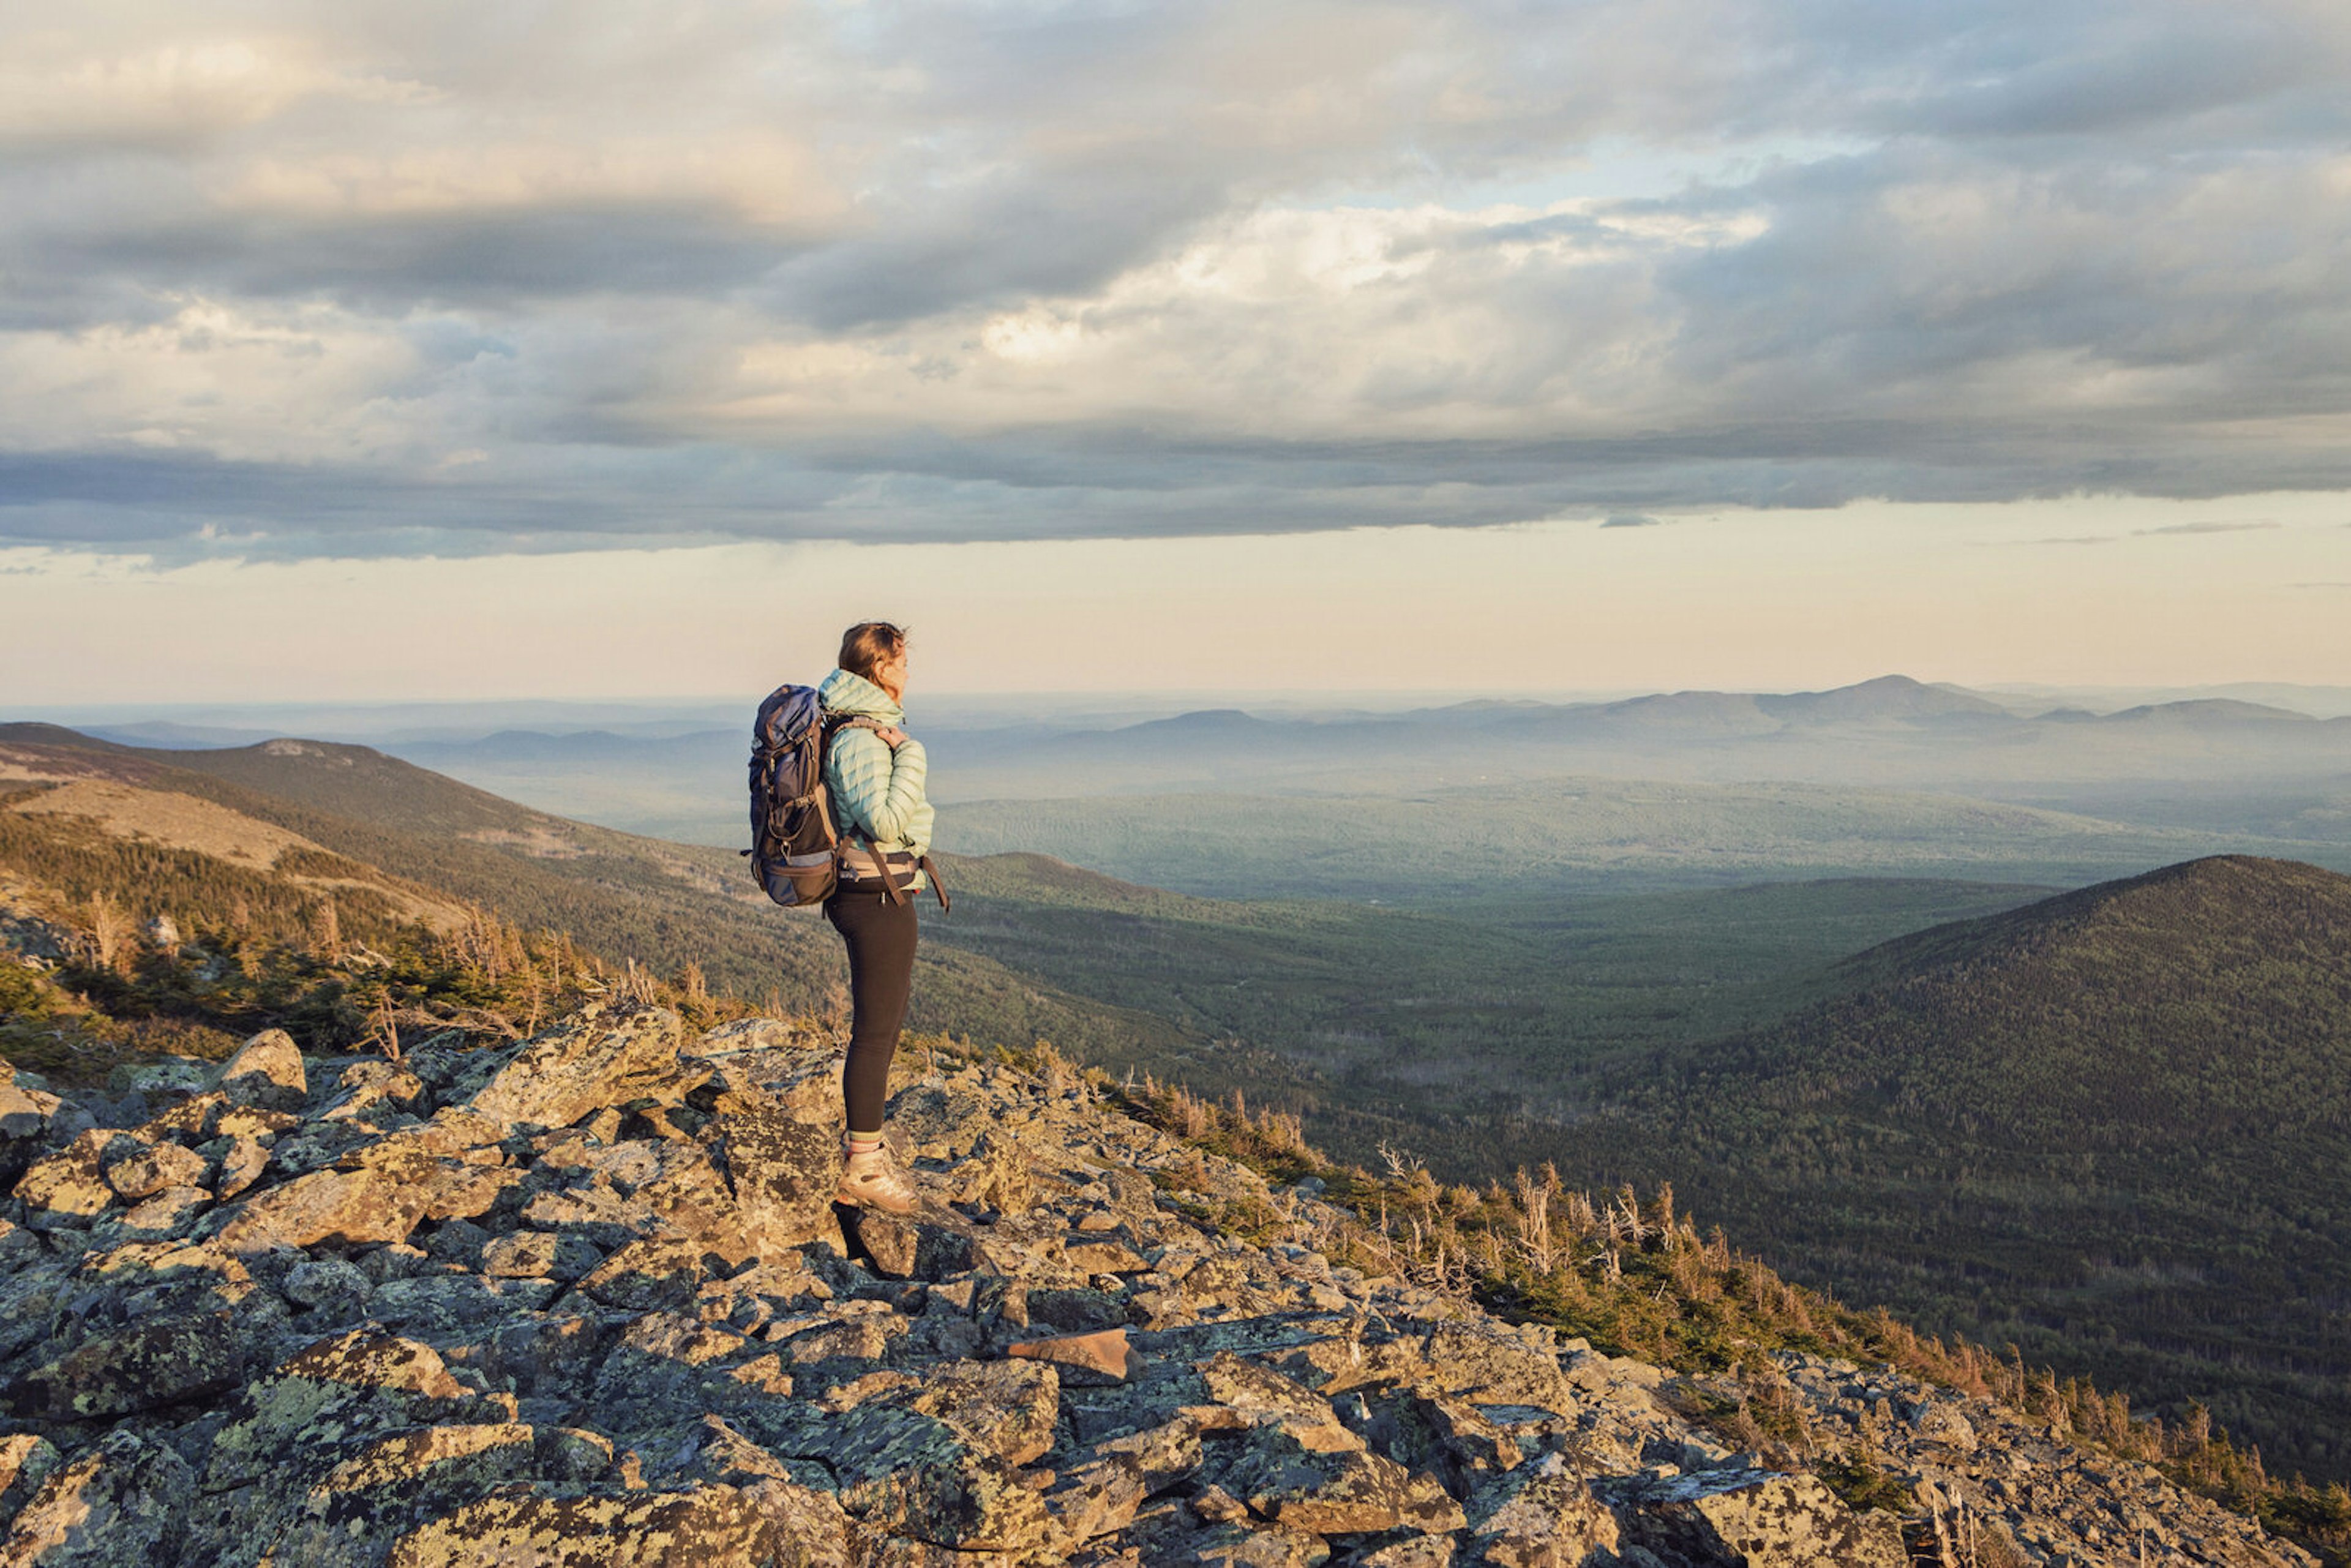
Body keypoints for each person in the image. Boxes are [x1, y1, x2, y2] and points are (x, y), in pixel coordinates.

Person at [819, 621, 935, 1214]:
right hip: (873, 894)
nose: (909, 671)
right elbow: (885, 821)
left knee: (881, 1028)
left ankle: (866, 1152)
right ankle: (862, 1166)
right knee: (876, 1030)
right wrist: (912, 754)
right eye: (902, 661)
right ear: (880, 667)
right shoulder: (863, 737)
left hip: (875, 888)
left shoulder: (856, 727)